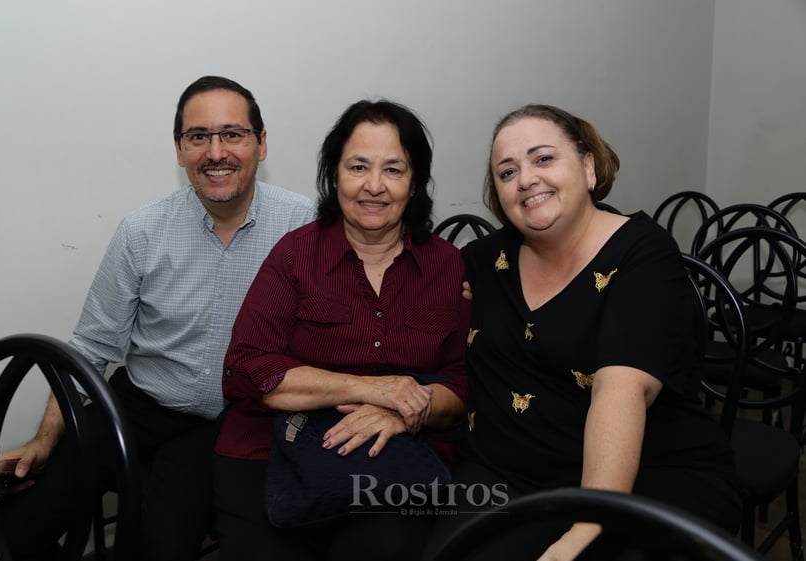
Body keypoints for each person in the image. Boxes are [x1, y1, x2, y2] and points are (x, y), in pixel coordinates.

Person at [0, 75, 316, 561]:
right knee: (0, 537)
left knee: (154, 548)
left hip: (223, 423)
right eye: (198, 137)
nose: (216, 152)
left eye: (233, 134)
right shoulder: (142, 231)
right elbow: (89, 349)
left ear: (261, 143)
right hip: (136, 404)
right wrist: (44, 442)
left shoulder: (306, 227)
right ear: (179, 150)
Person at [423, 104, 741, 561]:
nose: (526, 178)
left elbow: (621, 390)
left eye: (543, 158)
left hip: (647, 473)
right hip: (506, 473)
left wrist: (587, 526)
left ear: (589, 167)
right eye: (506, 171)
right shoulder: (482, 262)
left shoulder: (641, 253)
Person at [212, 99, 471, 561]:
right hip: (274, 451)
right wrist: (374, 389)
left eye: (394, 169)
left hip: (392, 461)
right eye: (358, 167)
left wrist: (405, 410)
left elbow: (461, 384)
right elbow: (247, 368)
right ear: (335, 175)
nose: (374, 186)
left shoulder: (446, 266)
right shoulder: (295, 255)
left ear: (414, 184)